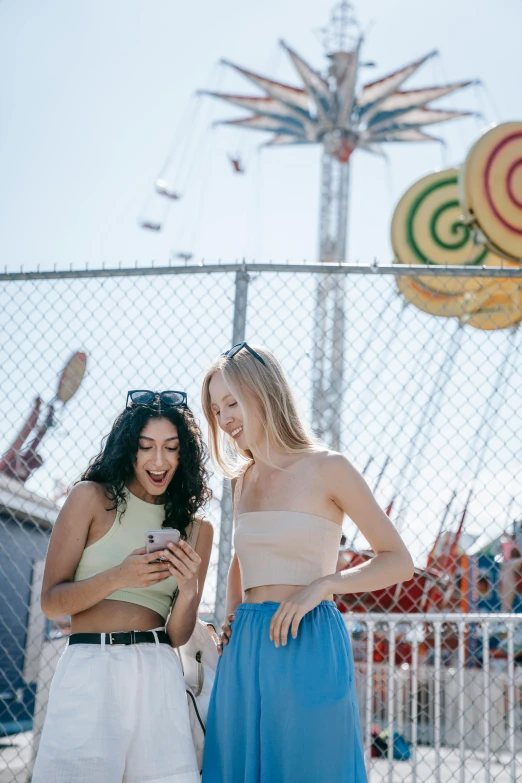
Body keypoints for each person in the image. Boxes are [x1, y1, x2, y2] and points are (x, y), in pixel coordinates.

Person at [200, 343, 413, 783]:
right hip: (245, 647)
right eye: (217, 409)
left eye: (232, 403)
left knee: (310, 769)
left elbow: (398, 561)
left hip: (308, 635)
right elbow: (243, 558)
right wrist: (231, 616)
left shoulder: (329, 468)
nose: (224, 420)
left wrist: (323, 586)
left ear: (263, 394)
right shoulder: (244, 480)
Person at [33, 390, 213, 783]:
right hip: (90, 666)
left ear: (185, 456)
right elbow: (51, 602)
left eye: (171, 448)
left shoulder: (198, 529)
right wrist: (119, 576)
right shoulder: (90, 498)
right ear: (128, 449)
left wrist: (188, 590)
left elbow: (178, 634)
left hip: (158, 670)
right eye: (146, 447)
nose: (159, 460)